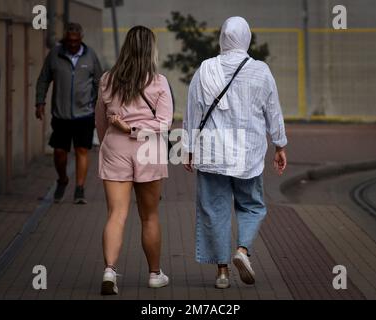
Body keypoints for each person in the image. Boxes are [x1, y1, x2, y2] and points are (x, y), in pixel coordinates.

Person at [183, 17, 288, 289]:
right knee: (252, 205)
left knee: (214, 210)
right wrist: (280, 144)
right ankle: (242, 251)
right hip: (248, 155)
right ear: (246, 38)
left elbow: (192, 111)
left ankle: (221, 272)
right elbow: (273, 111)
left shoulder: (205, 69)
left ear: (222, 38)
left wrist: (188, 148)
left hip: (212, 154)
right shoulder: (261, 71)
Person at [95, 26, 173, 295]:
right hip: (148, 150)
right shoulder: (159, 81)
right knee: (149, 216)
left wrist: (113, 141)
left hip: (115, 147)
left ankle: (109, 271)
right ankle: (154, 274)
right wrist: (137, 131)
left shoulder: (107, 79)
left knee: (116, 214)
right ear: (150, 49)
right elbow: (164, 124)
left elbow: (101, 122)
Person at [35, 22, 103, 204]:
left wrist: (97, 106)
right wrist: (39, 102)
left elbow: (99, 82)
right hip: (61, 113)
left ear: (81, 39)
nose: (73, 44)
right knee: (59, 152)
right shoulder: (55, 55)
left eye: (76, 40)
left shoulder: (90, 56)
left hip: (84, 113)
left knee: (82, 150)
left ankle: (79, 189)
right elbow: (43, 79)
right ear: (65, 39)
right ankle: (63, 179)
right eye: (69, 40)